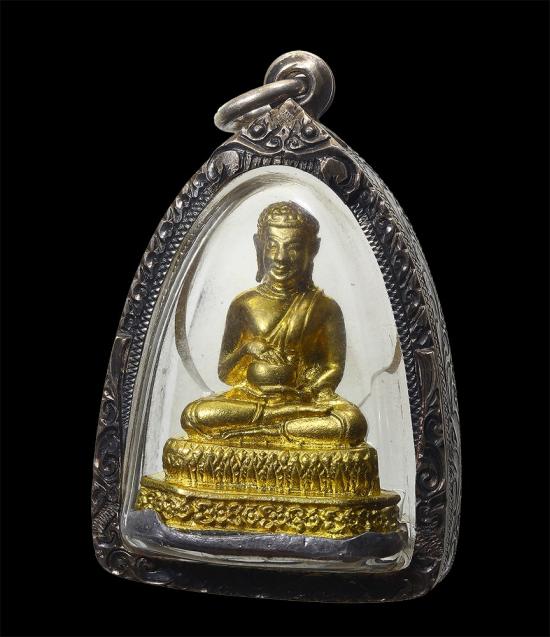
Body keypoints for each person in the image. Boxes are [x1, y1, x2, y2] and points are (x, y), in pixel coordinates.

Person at [181, 201, 367, 448]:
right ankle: (275, 421)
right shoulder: (244, 304)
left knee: (352, 423)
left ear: (312, 249)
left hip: (301, 402)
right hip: (251, 399)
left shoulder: (324, 308)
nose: (281, 258)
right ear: (259, 246)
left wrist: (304, 393)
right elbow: (225, 372)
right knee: (195, 415)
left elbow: (333, 367)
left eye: (293, 248)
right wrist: (248, 348)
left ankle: (269, 427)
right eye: (272, 245)